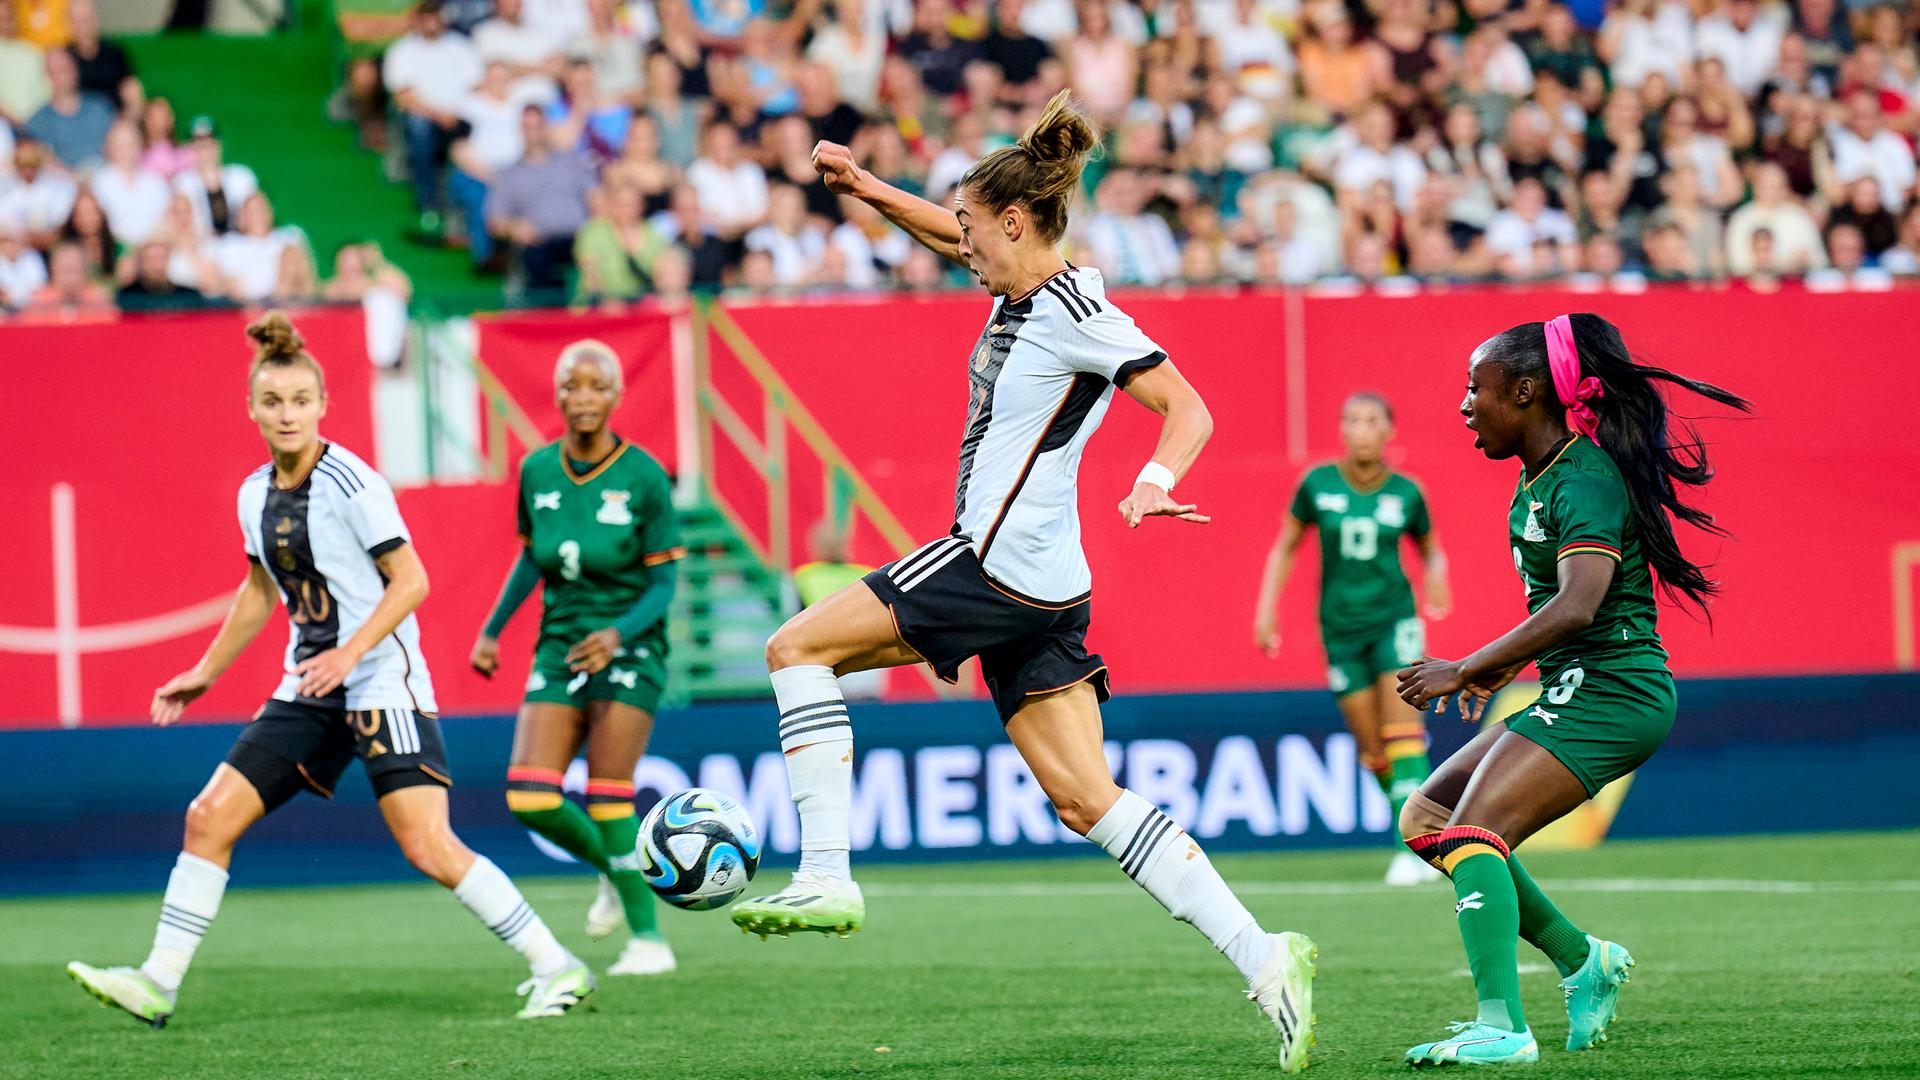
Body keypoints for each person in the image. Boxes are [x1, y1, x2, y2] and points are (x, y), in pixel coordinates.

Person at [735, 91, 1319, 1073]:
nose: (959, 246)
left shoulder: (1077, 310)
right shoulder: (1027, 288)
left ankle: (827, 874)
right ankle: (1267, 958)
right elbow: (944, 230)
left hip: (988, 565)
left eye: (972, 230)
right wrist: (871, 187)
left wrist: (1153, 476)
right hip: (1045, 587)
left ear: (1014, 223)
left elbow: (1188, 406)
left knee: (794, 648)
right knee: (1088, 800)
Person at [66, 312, 594, 1028]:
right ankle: (157, 981)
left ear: (323, 406)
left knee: (428, 844)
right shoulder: (254, 494)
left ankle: (555, 964)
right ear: (251, 408)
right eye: (273, 402)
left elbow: (411, 581)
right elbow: (261, 591)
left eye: (300, 401)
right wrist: (206, 671)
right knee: (208, 818)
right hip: (309, 686)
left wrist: (350, 651)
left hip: (381, 682)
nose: (288, 415)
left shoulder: (353, 483)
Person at [1394, 313, 1749, 1065]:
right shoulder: (1543, 475)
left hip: (1616, 695)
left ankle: (1502, 1028)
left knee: (1472, 831)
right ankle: (1584, 961)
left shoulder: (1583, 477)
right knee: (1426, 816)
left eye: (1475, 388)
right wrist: (1498, 666)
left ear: (1524, 392)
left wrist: (1466, 665)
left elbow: (1581, 603)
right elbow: (1566, 614)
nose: (1464, 405)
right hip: (1579, 685)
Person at [471, 340, 684, 978]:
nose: (583, 397)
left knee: (608, 795)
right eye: (572, 386)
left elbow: (665, 583)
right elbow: (530, 558)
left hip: (632, 648)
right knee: (529, 796)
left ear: (616, 396)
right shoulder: (537, 471)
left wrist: (619, 634)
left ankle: (650, 943)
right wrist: (491, 630)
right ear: (558, 395)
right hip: (560, 644)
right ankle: (612, 872)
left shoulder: (644, 476)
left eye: (596, 386)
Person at [1252, 393, 1452, 886]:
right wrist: (1265, 609)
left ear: (1389, 432)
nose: (1361, 429)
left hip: (1393, 622)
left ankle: (1416, 847)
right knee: (1373, 752)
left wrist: (1436, 578)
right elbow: (1285, 548)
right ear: (1342, 431)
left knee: (1401, 734)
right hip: (1340, 630)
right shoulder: (1317, 485)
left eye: (1372, 421)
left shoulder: (1407, 492)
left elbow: (1431, 549)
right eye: (1352, 421)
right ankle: (1419, 820)